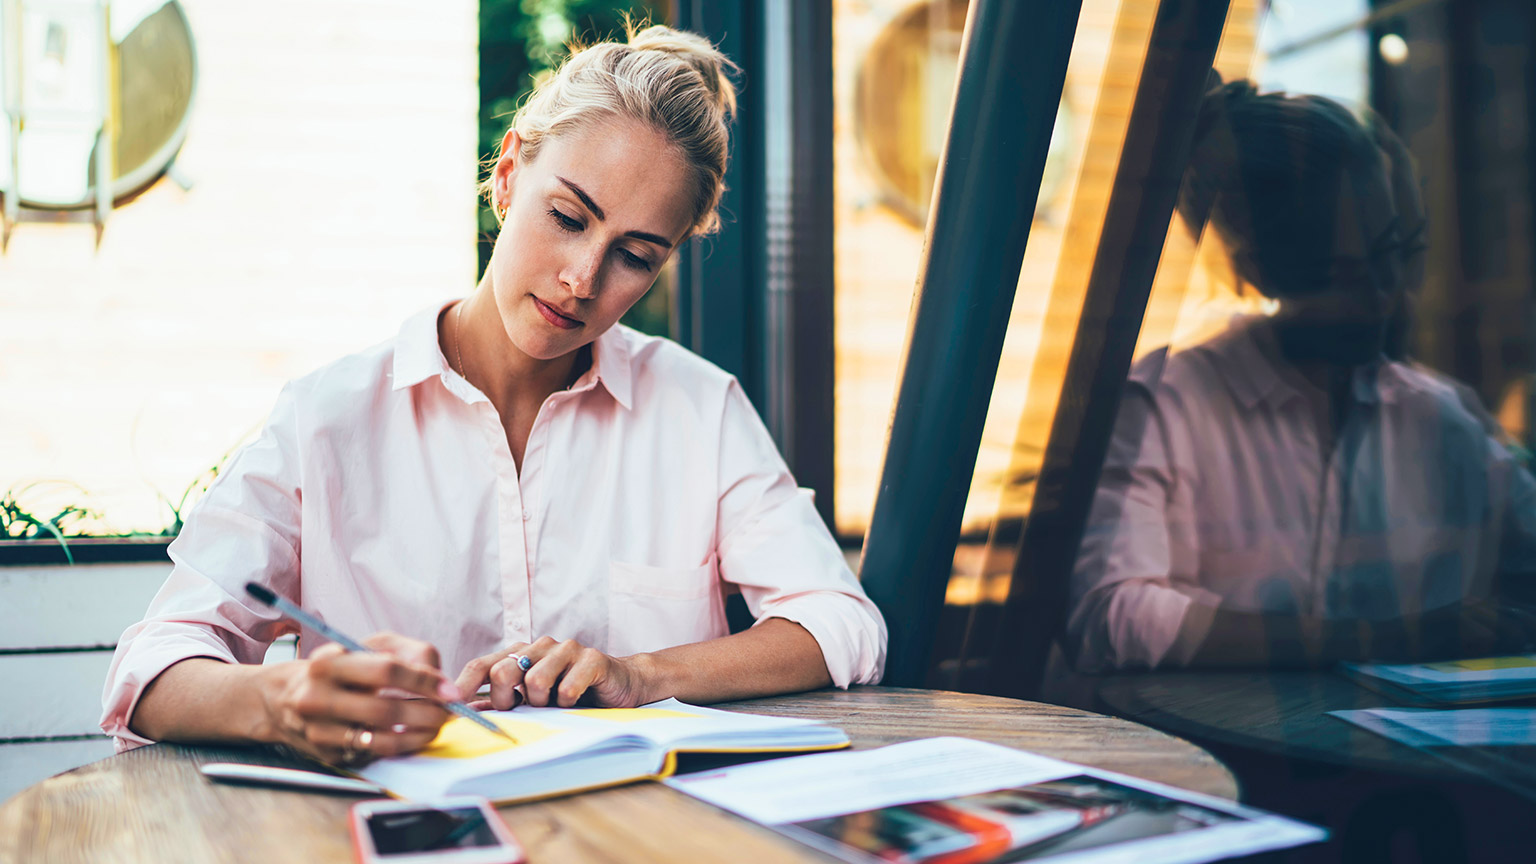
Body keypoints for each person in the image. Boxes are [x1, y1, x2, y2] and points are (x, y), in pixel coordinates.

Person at [101, 24, 886, 764]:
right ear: (508, 175)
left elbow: (842, 624)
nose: (582, 280)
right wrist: (285, 697)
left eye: (636, 257)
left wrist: (644, 674)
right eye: (567, 217)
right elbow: (151, 670)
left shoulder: (699, 409)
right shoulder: (328, 418)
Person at [1065, 80, 1536, 673]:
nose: (1385, 297)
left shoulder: (1441, 417)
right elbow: (1113, 615)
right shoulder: (1167, 407)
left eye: (1391, 255)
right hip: (1219, 759)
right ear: (1261, 272)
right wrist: (1387, 639)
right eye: (1343, 275)